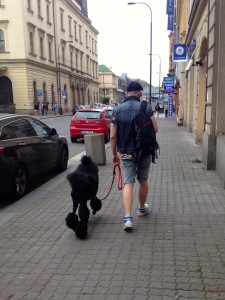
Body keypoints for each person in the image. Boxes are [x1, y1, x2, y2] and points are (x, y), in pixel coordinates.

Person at [110, 81, 158, 231]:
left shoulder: (116, 110)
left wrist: (114, 154)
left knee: (128, 183)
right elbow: (155, 129)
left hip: (125, 152)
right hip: (144, 151)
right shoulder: (146, 107)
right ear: (138, 93)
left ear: (126, 93)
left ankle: (128, 218)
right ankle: (141, 209)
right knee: (143, 180)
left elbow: (112, 136)